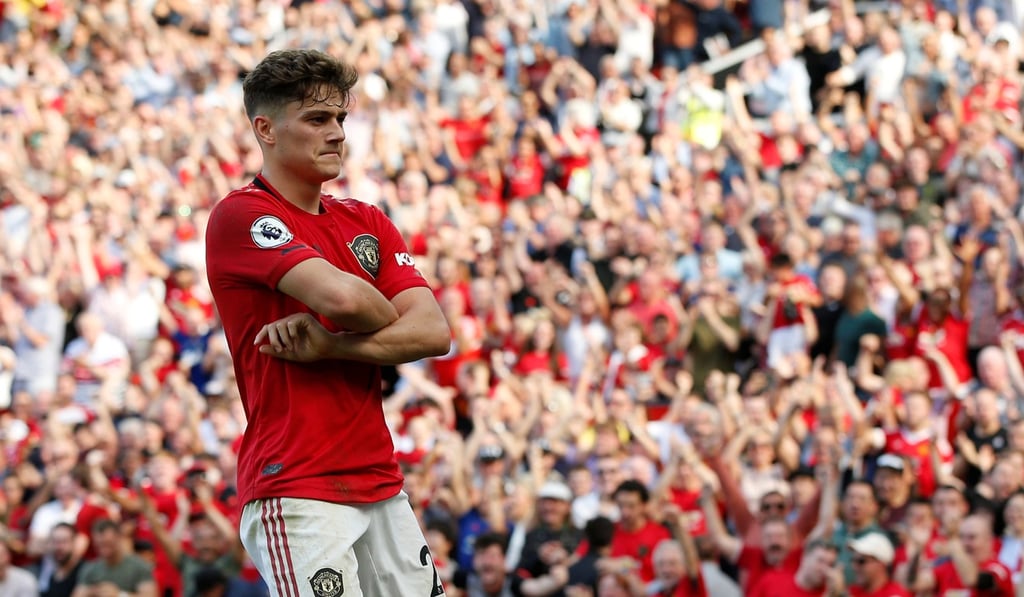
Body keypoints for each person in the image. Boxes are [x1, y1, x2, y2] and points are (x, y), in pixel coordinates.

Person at [204, 49, 452, 597]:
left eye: (340, 118)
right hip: (294, 484)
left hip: (380, 480)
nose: (337, 133)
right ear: (265, 129)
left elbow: (434, 334)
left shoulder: (366, 219)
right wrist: (377, 320)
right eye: (317, 119)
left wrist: (332, 347)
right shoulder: (241, 215)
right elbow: (344, 299)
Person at [71, 519, 157, 597]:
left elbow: (151, 594)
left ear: (119, 538)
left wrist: (120, 594)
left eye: (108, 544)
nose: (104, 550)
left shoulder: (139, 566)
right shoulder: (90, 569)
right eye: (99, 545)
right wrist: (92, 591)